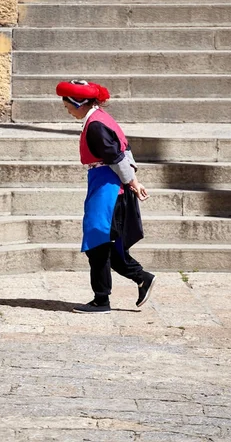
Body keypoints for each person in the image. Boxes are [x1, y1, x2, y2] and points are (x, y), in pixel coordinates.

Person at [55, 79, 156, 314]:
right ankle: (140, 279)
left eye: (68, 106)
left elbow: (116, 157)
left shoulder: (95, 125)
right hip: (107, 186)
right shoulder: (101, 118)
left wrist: (133, 182)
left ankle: (104, 299)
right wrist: (132, 180)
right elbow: (125, 151)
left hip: (108, 189)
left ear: (78, 102)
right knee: (101, 244)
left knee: (98, 243)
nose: (68, 111)